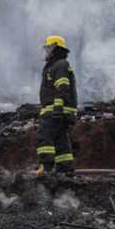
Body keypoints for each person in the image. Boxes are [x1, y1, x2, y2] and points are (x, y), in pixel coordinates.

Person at [36, 35, 77, 176]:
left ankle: (45, 168)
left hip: (55, 110)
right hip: (61, 111)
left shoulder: (59, 65)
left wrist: (57, 107)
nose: (46, 52)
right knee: (60, 140)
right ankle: (65, 170)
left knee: (45, 136)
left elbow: (63, 87)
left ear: (55, 49)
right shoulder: (59, 65)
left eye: (48, 48)